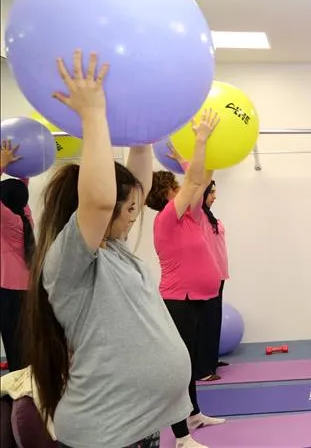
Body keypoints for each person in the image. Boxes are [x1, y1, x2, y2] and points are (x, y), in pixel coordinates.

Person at [21, 50, 194, 448]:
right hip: (105, 436)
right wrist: (93, 114)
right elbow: (99, 201)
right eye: (129, 208)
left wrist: (143, 133)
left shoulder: (112, 250)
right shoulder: (70, 262)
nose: (136, 214)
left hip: (135, 431)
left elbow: (134, 184)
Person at [146, 108, 225, 446]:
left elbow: (202, 177)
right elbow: (195, 182)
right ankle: (181, 437)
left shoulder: (190, 217)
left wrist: (188, 160)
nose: (183, 190)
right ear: (167, 195)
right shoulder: (166, 219)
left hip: (198, 299)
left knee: (191, 364)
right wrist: (200, 138)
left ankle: (193, 414)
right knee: (180, 368)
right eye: (176, 187)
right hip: (178, 300)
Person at [1, 139, 34, 372]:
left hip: (7, 292)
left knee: (13, 347)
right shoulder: (25, 216)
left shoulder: (8, 220)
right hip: (27, 291)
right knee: (24, 346)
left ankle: (18, 394)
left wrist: (3, 163)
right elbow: (21, 190)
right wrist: (21, 168)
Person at [196, 179, 231, 380]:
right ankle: (202, 370)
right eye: (211, 192)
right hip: (207, 276)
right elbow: (196, 185)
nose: (215, 196)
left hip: (219, 275)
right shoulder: (198, 216)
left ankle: (211, 361)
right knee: (205, 321)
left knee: (214, 319)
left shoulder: (210, 217)